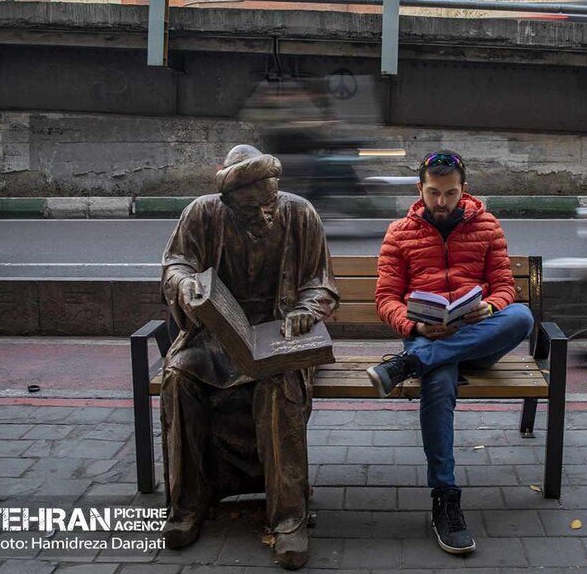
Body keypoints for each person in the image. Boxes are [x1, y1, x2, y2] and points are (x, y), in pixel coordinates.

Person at [159, 144, 339, 570]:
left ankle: (289, 517)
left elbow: (321, 283)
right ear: (228, 200)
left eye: (269, 202)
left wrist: (305, 311)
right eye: (249, 207)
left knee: (279, 382)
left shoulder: (301, 214)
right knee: (179, 378)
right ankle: (188, 503)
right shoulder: (201, 214)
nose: (262, 214)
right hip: (217, 337)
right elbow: (176, 264)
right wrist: (184, 285)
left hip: (280, 332)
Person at [367, 150, 535, 555]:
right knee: (439, 385)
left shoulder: (488, 226)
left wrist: (490, 307)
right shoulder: (400, 232)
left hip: (475, 335)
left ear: (464, 190)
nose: (442, 202)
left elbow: (504, 287)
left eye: (450, 193)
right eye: (433, 193)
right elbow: (386, 298)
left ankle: (408, 365)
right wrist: (415, 327)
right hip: (426, 333)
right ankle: (444, 497)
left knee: (522, 316)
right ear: (419, 189)